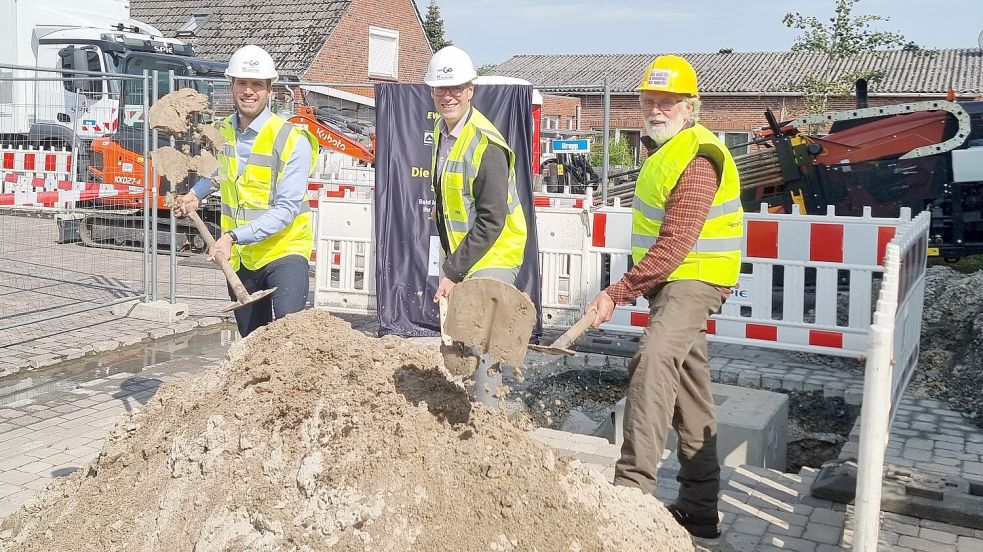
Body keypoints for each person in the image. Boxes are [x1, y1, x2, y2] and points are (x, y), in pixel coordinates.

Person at [586, 55, 743, 539]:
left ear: (689, 107)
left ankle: (631, 492)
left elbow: (677, 242)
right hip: (673, 284)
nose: (656, 110)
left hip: (694, 282)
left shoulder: (696, 156)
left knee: (652, 361)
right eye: (649, 101)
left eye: (667, 103)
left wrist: (618, 290)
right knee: (691, 396)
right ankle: (699, 510)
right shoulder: (664, 151)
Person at [175, 44, 319, 337]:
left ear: (269, 89)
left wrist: (229, 237)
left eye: (257, 84)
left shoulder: (292, 139)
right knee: (252, 342)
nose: (249, 91)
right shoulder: (222, 131)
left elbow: (287, 209)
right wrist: (196, 193)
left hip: (284, 251)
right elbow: (220, 173)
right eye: (242, 82)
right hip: (241, 257)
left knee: (287, 337)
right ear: (232, 85)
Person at [425, 46, 528, 404]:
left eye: (456, 88)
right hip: (469, 260)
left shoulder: (485, 145)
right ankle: (485, 421)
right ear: (432, 92)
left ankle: (492, 432)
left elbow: (492, 219)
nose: (448, 95)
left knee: (485, 355)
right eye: (441, 88)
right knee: (467, 352)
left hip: (495, 257)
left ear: (471, 90)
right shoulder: (444, 134)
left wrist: (453, 270)